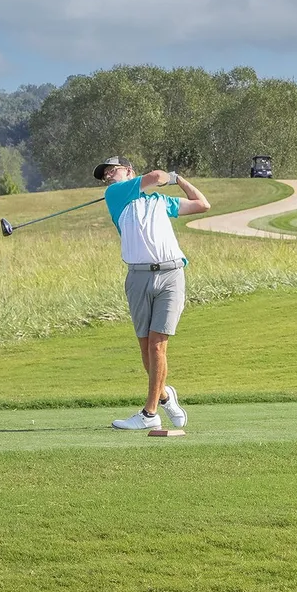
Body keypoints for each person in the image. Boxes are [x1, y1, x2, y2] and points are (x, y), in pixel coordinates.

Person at [93, 155, 211, 430]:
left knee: (158, 344)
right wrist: (167, 177)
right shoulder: (115, 194)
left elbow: (202, 205)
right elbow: (156, 177)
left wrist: (179, 178)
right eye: (105, 174)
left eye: (113, 170)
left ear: (128, 170)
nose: (108, 176)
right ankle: (166, 396)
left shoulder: (161, 202)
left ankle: (149, 414)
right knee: (146, 349)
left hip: (171, 274)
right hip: (138, 276)